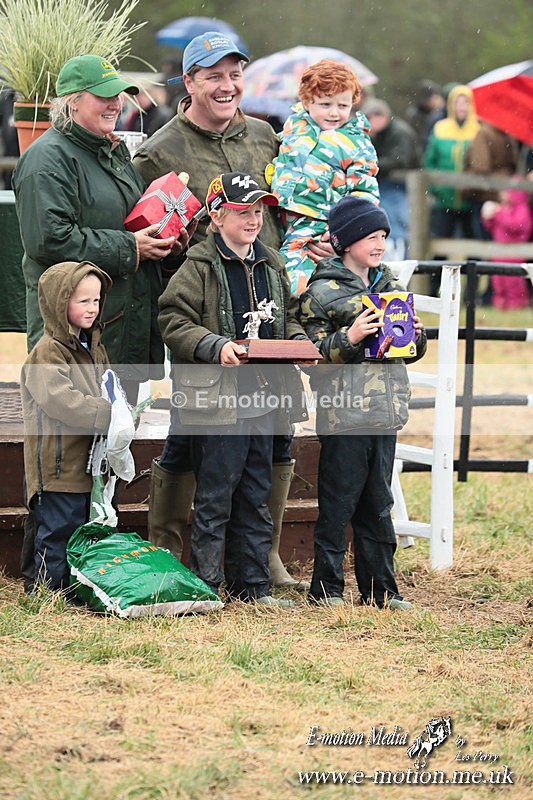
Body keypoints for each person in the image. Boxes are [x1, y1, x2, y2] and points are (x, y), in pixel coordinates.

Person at [133, 32, 327, 588]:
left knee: (273, 433)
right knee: (192, 431)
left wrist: (305, 240)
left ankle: (259, 556)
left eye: (234, 73)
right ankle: (170, 548)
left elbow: (288, 211)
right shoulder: (159, 150)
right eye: (213, 75)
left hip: (264, 310)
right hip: (201, 318)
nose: (227, 85)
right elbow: (150, 236)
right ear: (188, 82)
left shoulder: (266, 135)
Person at [157, 172, 309, 606]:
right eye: (243, 211)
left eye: (258, 211)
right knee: (215, 495)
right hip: (220, 403)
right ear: (217, 215)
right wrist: (213, 346)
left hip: (266, 400)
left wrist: (296, 341)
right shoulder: (198, 266)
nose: (253, 219)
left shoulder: (273, 263)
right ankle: (207, 584)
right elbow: (172, 319)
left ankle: (253, 586)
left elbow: (289, 315)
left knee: (256, 493)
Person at [12, 54, 191, 402]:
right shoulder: (45, 161)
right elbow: (49, 240)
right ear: (72, 102)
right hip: (75, 335)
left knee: (117, 444)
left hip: (121, 328)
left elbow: (128, 222)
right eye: (103, 95)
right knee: (78, 447)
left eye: (119, 94)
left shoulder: (113, 152)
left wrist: (166, 243)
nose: (115, 103)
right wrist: (130, 248)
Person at [298, 196, 427, 609]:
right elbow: (314, 357)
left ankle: (381, 591)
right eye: (370, 236)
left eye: (384, 236)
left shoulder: (390, 285)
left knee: (378, 503)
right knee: (338, 503)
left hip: (384, 413)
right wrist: (350, 338)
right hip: (344, 415)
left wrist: (416, 337)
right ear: (346, 240)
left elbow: (408, 350)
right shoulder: (321, 293)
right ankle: (327, 589)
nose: (379, 243)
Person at [20, 261, 112, 591]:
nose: (92, 308)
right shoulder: (48, 352)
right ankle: (47, 593)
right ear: (60, 305)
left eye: (96, 300)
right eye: (82, 301)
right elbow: (60, 399)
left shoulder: (94, 348)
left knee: (77, 530)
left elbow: (109, 387)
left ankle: (68, 591)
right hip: (56, 465)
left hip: (86, 463)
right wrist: (106, 413)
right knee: (56, 530)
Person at [271, 59, 379, 295]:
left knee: (302, 287)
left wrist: (342, 233)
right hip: (279, 221)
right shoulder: (294, 127)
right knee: (274, 281)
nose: (334, 112)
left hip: (322, 226)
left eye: (342, 105)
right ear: (308, 101)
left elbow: (365, 194)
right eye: (325, 103)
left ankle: (306, 325)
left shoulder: (356, 143)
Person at [423, 84, 480, 294]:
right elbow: (430, 160)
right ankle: (432, 291)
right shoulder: (440, 128)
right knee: (440, 248)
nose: (461, 107)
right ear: (450, 104)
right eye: (457, 102)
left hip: (470, 199)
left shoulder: (478, 129)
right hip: (445, 199)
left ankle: (471, 295)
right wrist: (437, 187)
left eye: (466, 102)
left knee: (474, 248)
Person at [362, 98, 421, 261]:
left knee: (397, 226)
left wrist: (372, 165)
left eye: (370, 118)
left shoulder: (400, 132)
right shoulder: (379, 134)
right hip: (387, 185)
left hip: (399, 187)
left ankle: (400, 261)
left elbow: (401, 160)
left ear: (381, 117)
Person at [481, 186, 533, 310]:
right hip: (499, 253)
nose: (504, 194)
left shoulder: (522, 209)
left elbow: (515, 226)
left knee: (513, 283)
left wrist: (498, 213)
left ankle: (517, 306)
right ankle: (500, 306)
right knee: (498, 282)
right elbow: (492, 227)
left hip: (514, 254)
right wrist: (487, 217)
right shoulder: (504, 208)